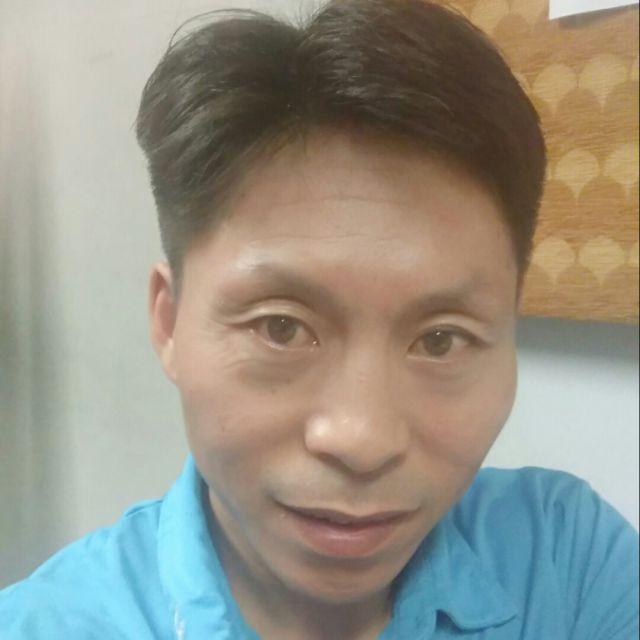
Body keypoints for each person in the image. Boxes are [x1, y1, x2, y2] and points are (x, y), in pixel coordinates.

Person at [1, 0, 637, 638]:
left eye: (441, 339)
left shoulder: (566, 563)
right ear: (169, 323)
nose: (362, 440)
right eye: (281, 327)